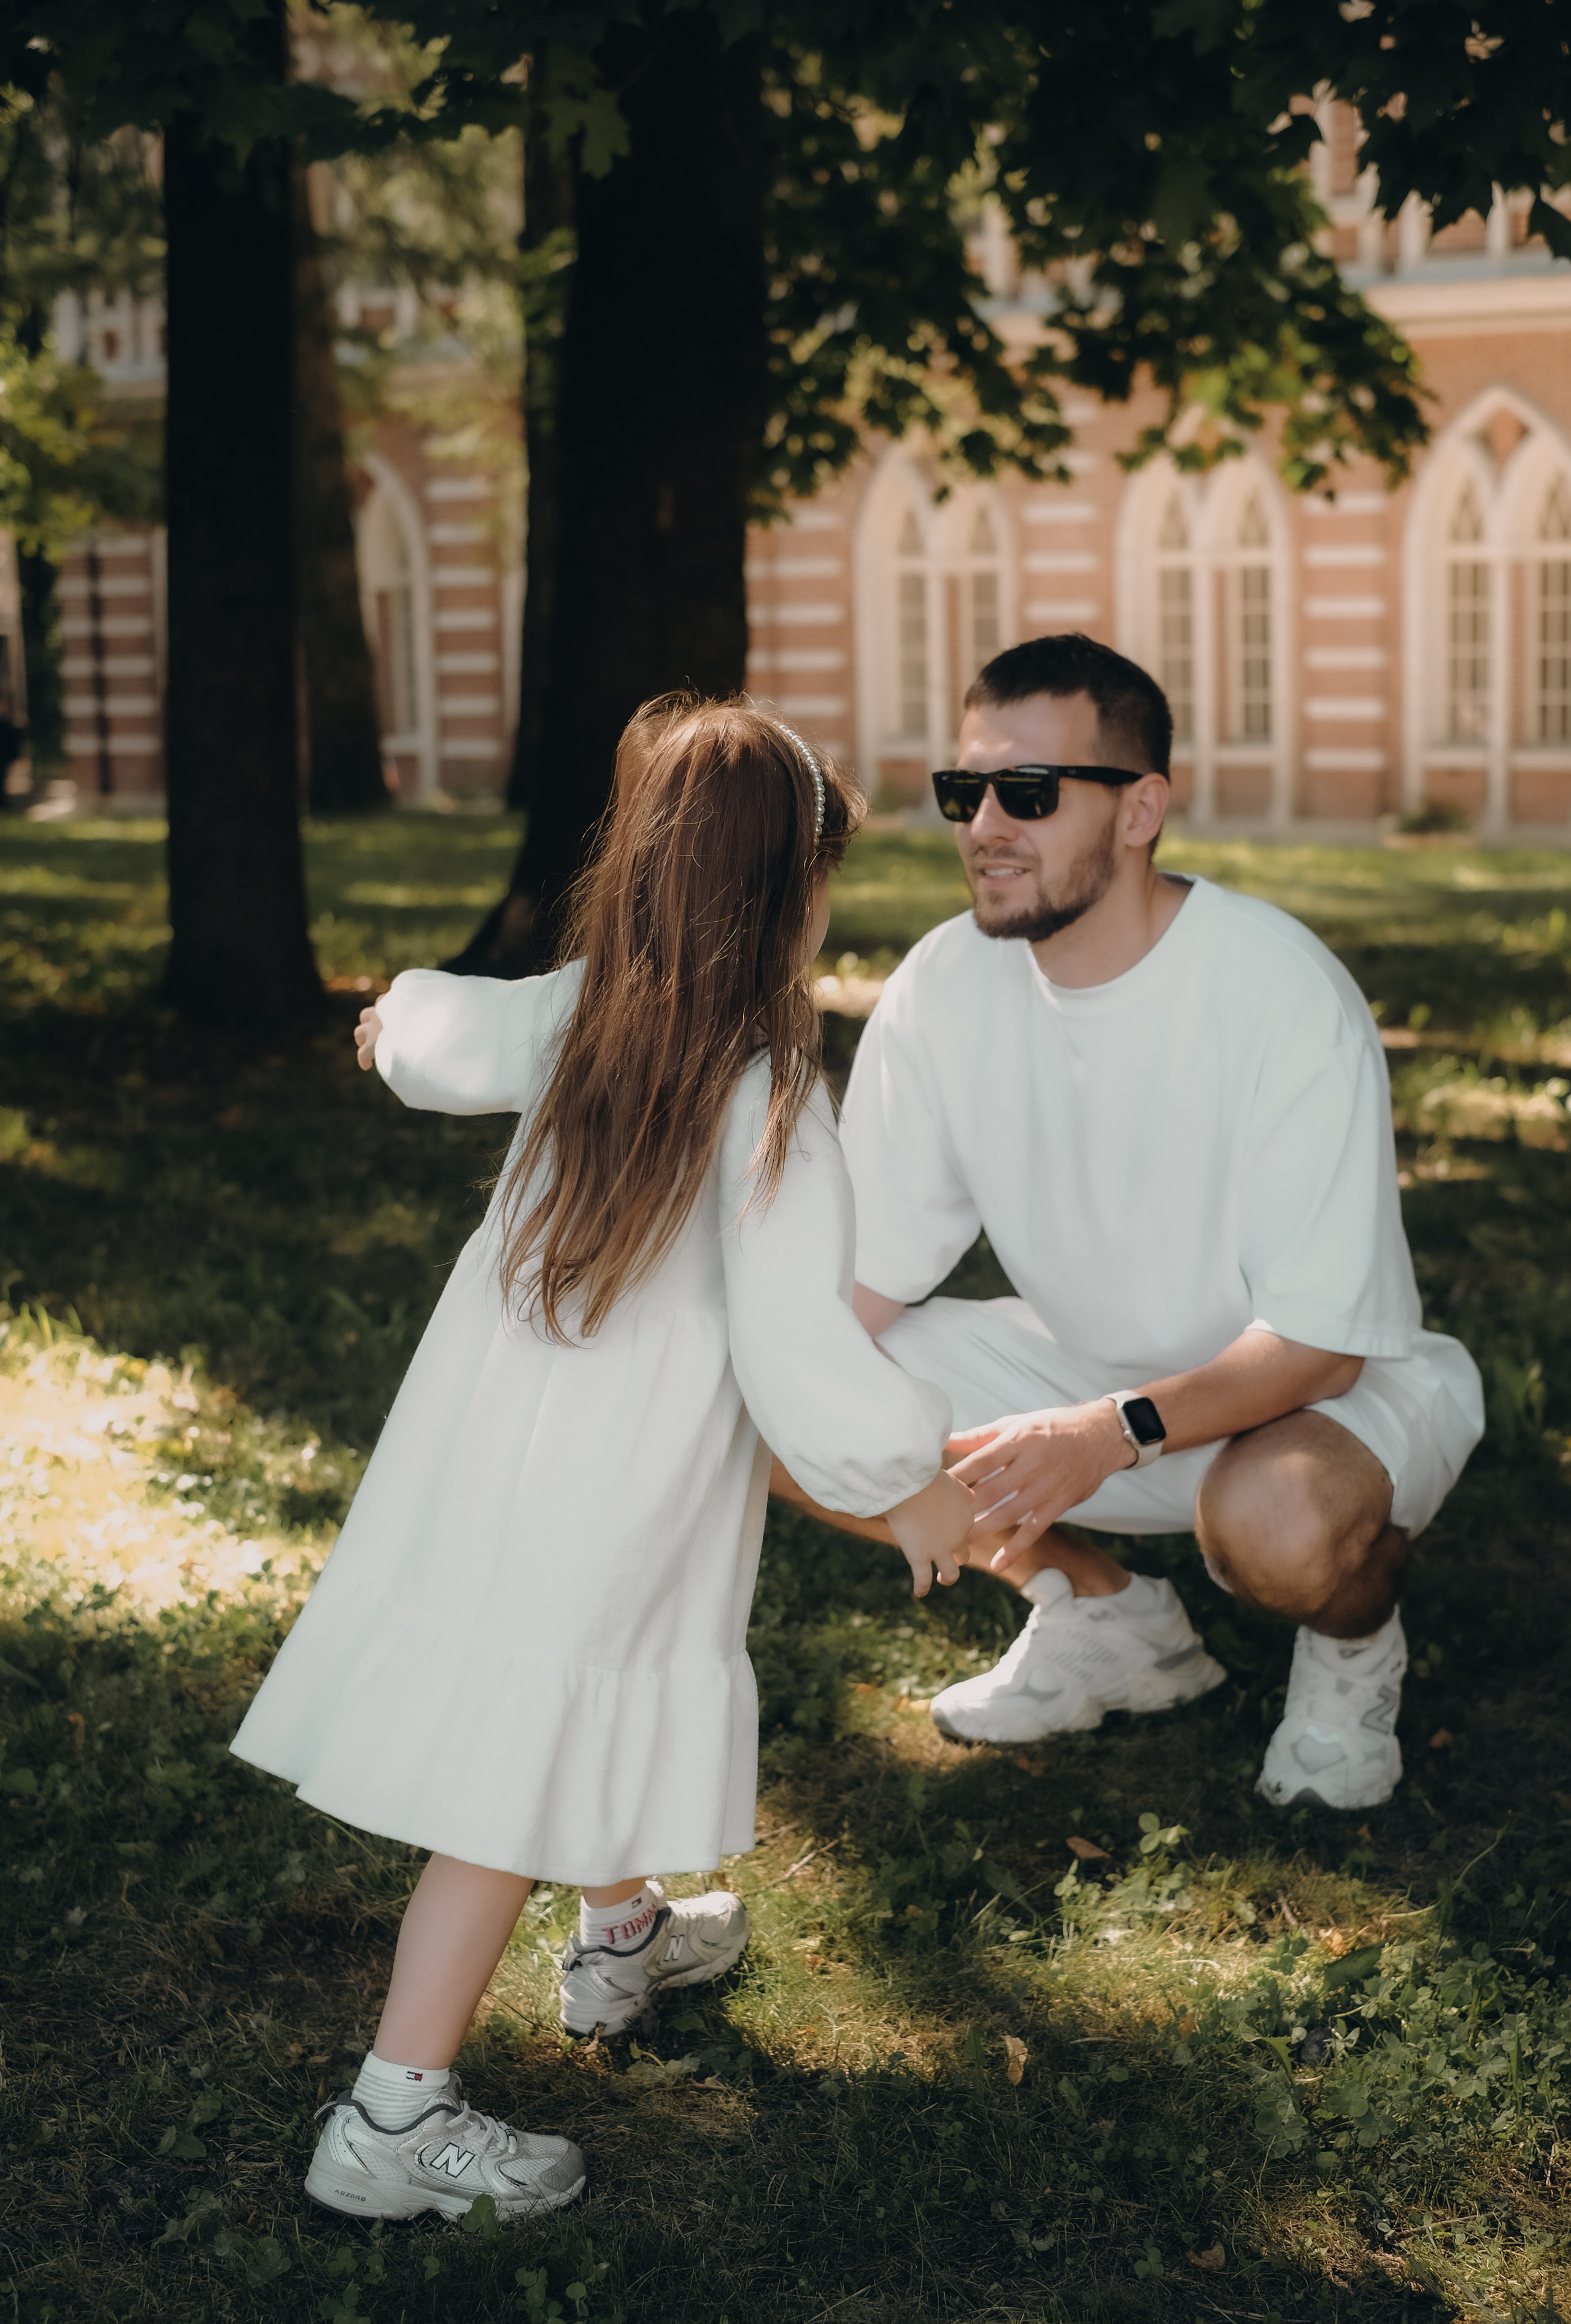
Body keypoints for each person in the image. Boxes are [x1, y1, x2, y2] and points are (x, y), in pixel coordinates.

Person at [232, 697, 973, 2221]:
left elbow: (444, 1035)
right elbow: (800, 1357)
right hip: (620, 1498)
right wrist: (910, 1478)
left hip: (504, 1470)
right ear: (795, 894)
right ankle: (391, 2117)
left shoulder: (582, 1011)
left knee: (571, 1707)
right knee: (511, 1789)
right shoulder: (770, 1100)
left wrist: (391, 1025)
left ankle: (622, 1937)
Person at [773, 634, 1483, 1814]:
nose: (986, 825)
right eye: (966, 792)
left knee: (1277, 1521)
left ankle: (1354, 1652)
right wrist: (759, 1387)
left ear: (1142, 807)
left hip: (1326, 1401)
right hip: (1083, 1380)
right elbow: (857, 1280)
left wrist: (1106, 1434)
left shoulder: (1277, 990)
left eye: (1030, 793)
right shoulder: (945, 985)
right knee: (775, 1382)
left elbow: (1322, 1343)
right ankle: (1106, 1617)